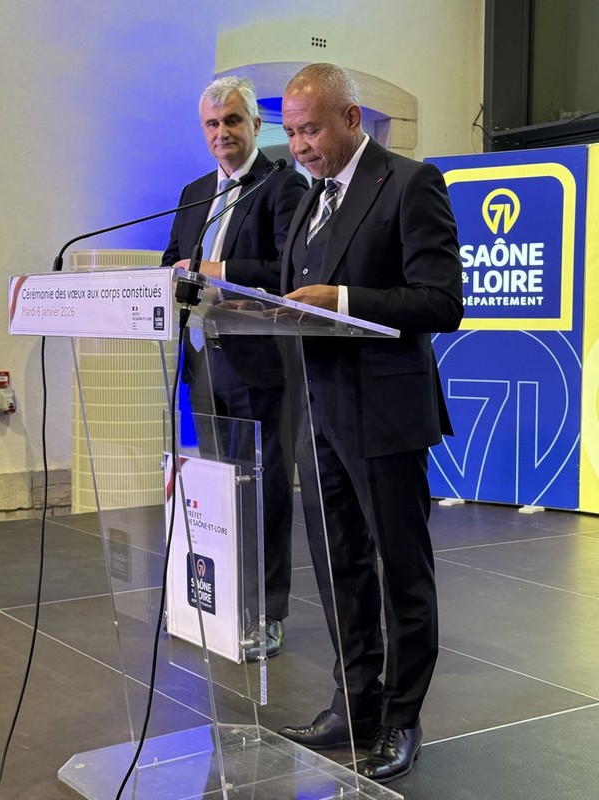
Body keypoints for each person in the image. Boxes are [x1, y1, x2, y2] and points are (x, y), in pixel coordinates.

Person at [276, 63, 463, 783]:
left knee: (400, 573)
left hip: (385, 413)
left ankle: (401, 718)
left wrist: (346, 298)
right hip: (318, 411)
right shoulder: (309, 197)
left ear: (352, 119)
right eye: (292, 132)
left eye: (311, 130)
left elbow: (441, 301)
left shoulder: (410, 183)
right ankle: (354, 705)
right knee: (339, 567)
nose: (300, 146)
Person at [161, 76, 309, 659]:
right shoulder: (195, 191)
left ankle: (267, 611)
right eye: (212, 123)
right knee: (218, 489)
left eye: (232, 121)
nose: (222, 132)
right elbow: (173, 260)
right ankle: (223, 600)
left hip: (259, 361)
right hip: (203, 359)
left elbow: (288, 269)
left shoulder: (282, 183)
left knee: (265, 489)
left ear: (255, 125)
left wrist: (216, 271)